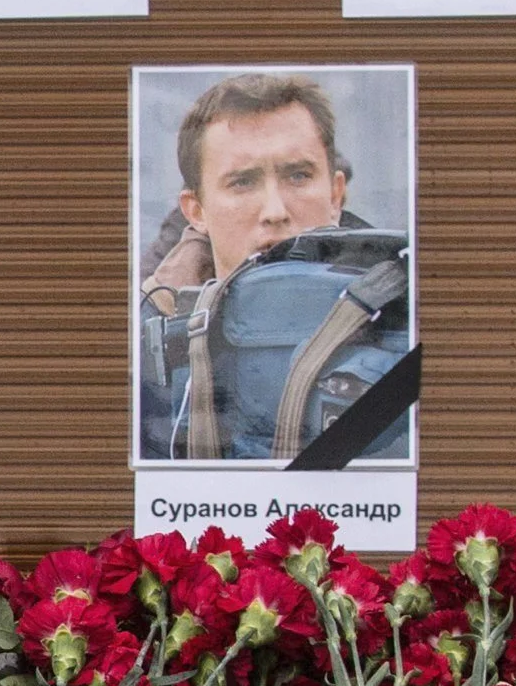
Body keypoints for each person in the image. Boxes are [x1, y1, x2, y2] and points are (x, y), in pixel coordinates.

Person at [137, 74, 402, 459]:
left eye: (298, 175)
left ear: (335, 193)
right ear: (196, 211)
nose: (275, 211)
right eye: (242, 182)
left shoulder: (405, 314)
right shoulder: (146, 349)